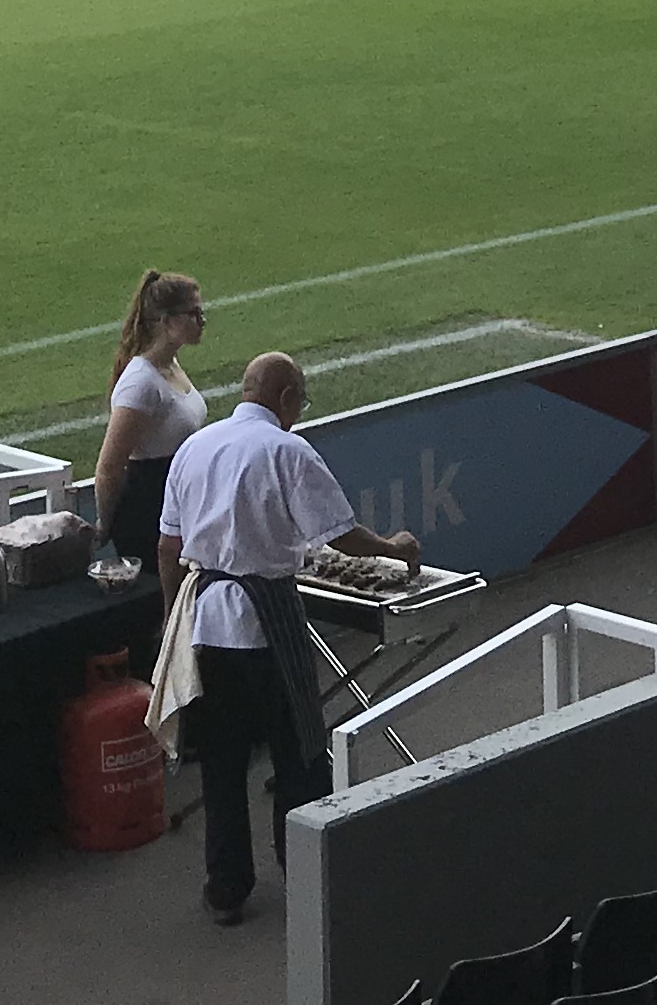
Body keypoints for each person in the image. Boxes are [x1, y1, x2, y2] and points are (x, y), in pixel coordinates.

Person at [153, 351, 418, 927]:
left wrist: (175, 620)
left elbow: (168, 550)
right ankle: (304, 875)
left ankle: (227, 889)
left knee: (222, 763)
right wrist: (395, 549)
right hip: (266, 621)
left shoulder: (194, 449)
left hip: (207, 624)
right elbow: (343, 536)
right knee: (298, 751)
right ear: (286, 399)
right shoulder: (288, 451)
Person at [92, 270, 209, 569]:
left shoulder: (170, 366)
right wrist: (105, 524)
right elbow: (109, 467)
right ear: (166, 322)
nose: (202, 321)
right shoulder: (140, 383)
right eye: (192, 313)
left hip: (179, 500)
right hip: (150, 512)